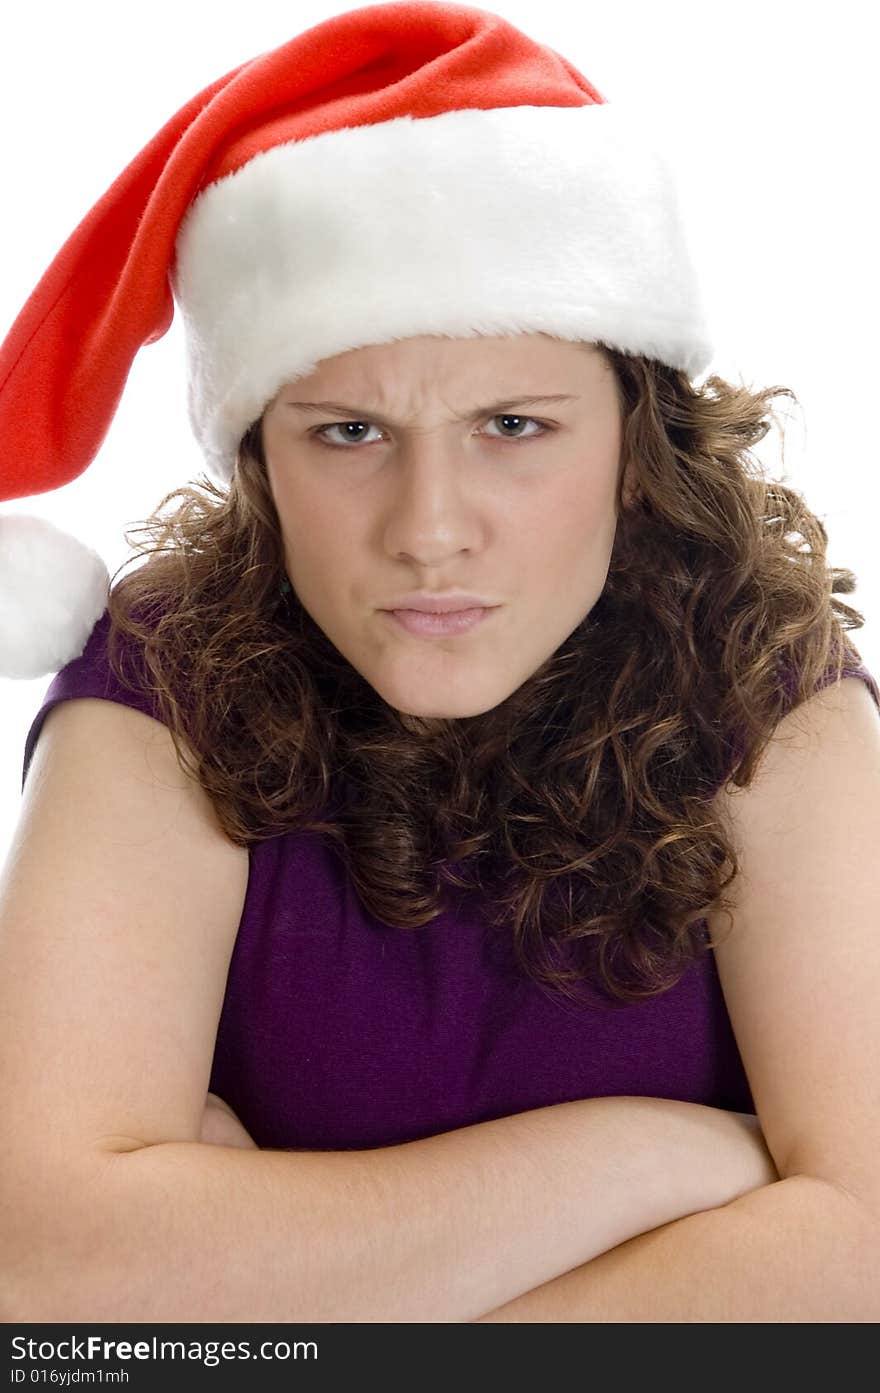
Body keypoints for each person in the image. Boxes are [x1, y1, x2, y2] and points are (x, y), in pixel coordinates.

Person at [1, 1, 878, 1325]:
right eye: (347, 431)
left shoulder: (764, 683)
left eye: (513, 424)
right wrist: (663, 1160)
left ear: (638, 441)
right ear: (257, 455)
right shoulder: (161, 684)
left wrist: (272, 1308)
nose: (427, 531)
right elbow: (44, 1261)